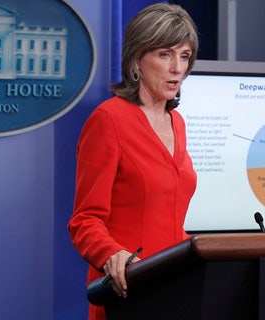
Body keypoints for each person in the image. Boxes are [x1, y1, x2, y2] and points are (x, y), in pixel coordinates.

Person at [67, 3, 199, 320]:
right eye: (165, 54)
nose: (177, 68)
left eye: (184, 56)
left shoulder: (177, 122)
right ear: (137, 59)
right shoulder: (109, 120)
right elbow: (84, 221)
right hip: (128, 290)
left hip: (174, 287)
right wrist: (113, 255)